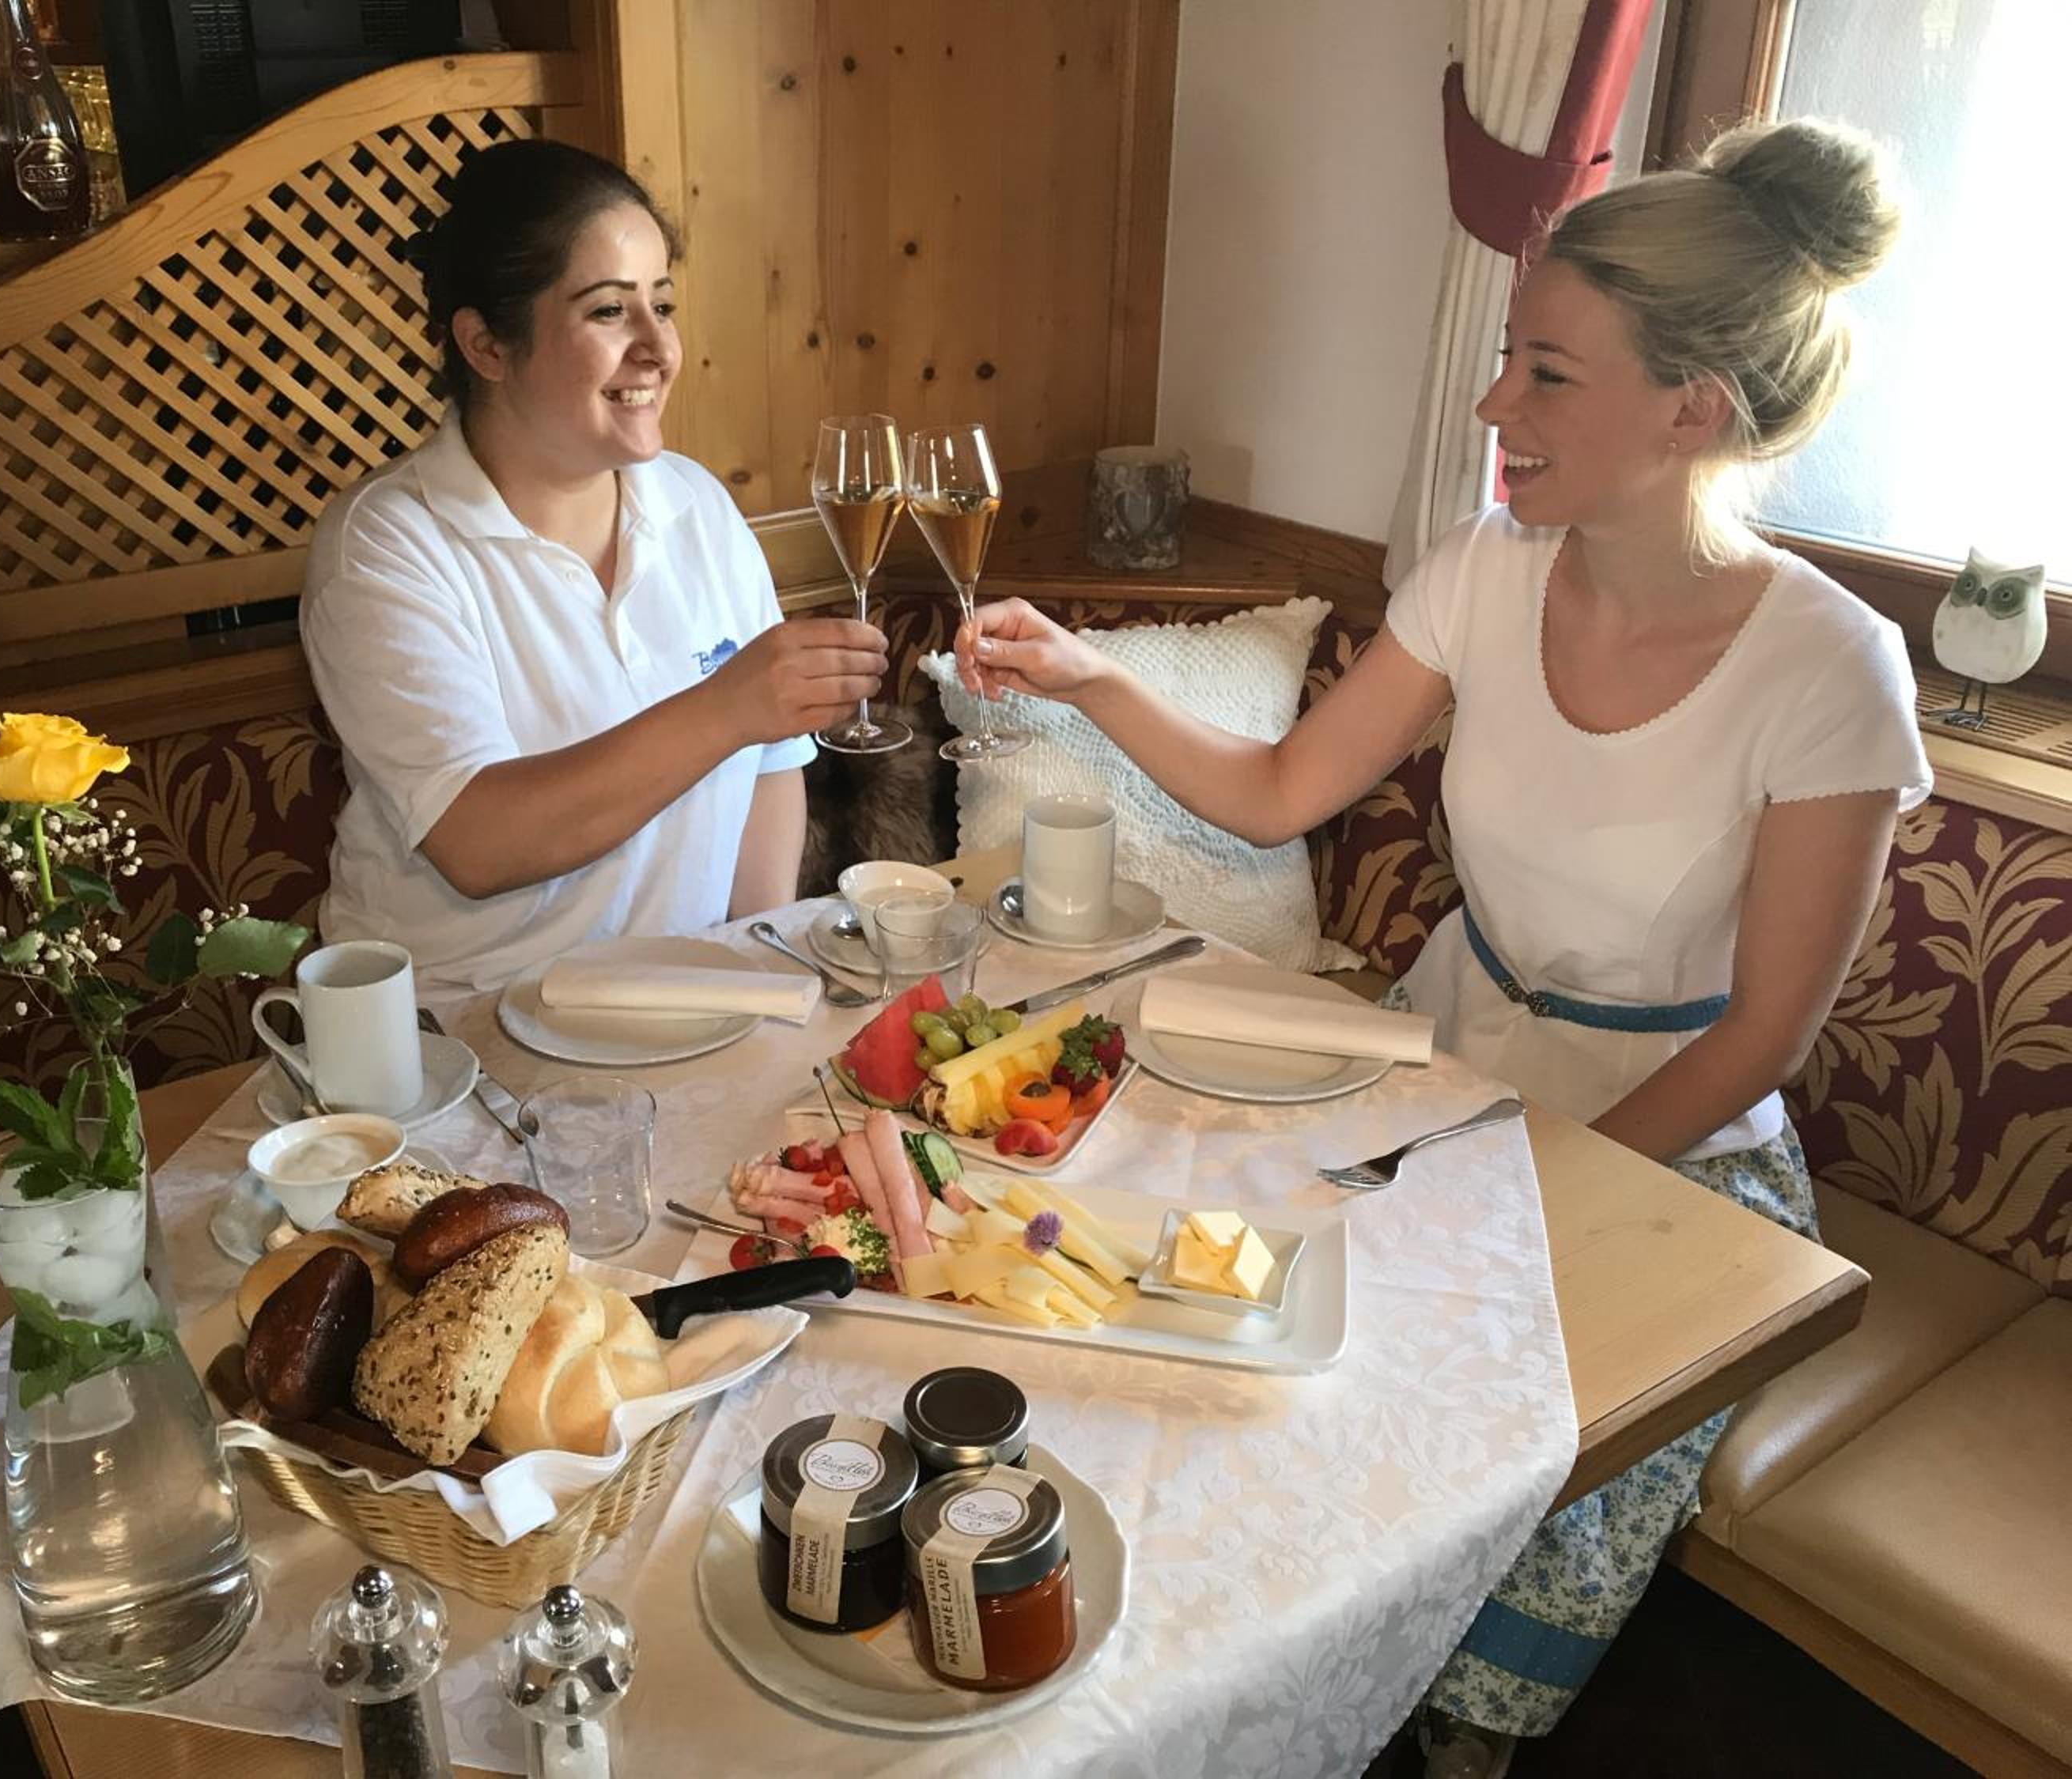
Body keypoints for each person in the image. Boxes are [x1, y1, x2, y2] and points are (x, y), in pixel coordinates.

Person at [956, 119, 1926, 1774]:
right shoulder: (1487, 569)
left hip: (1672, 1150)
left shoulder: (1832, 669)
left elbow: (1763, 1034)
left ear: (1690, 409)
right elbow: (1280, 793)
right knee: (1206, 1325)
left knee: (1523, 1466)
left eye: (1545, 373)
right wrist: (1092, 677)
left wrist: (1535, 1191)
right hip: (1445, 1072)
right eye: (1503, 361)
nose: (1493, 407)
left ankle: (1448, 1738)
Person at [302, 140, 887, 995]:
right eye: (610, 311)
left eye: (663, 304)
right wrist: (728, 707)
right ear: (486, 345)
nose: (658, 348)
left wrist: (752, 969)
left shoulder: (696, 505)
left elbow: (770, 771)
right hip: (465, 1026)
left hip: (681, 1006)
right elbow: (479, 842)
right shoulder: (387, 543)